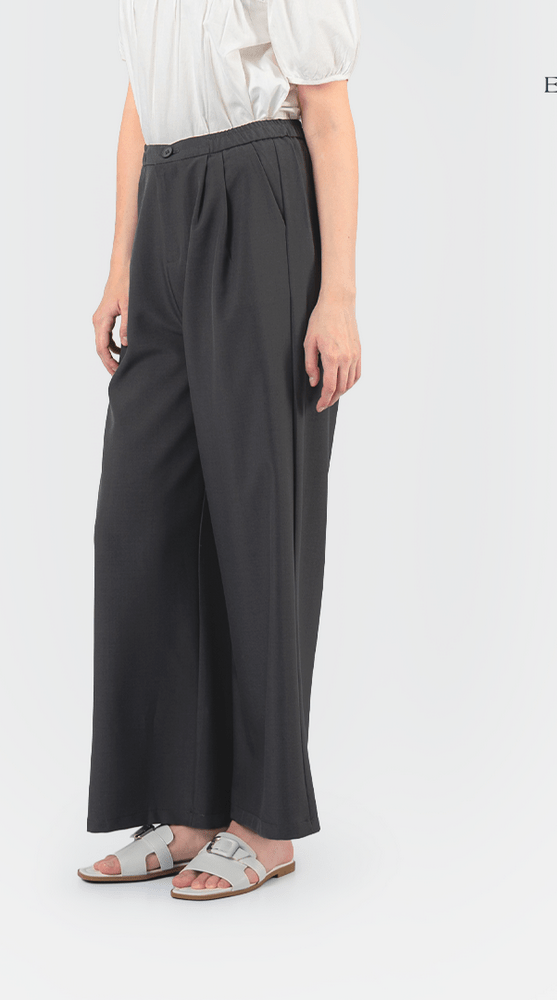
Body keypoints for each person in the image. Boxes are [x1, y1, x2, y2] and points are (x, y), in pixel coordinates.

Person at [79, 0, 362, 900]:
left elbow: (325, 106)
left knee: (257, 515)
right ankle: (188, 807)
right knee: (141, 522)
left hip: (258, 189)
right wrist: (123, 263)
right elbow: (141, 103)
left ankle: (267, 824)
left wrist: (338, 297)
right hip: (167, 199)